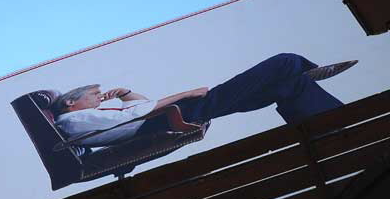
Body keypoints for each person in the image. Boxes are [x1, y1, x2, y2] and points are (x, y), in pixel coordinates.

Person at [52, 53, 356, 147]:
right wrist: (186, 93)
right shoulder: (72, 120)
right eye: (93, 96)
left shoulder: (81, 120)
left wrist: (125, 93)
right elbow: (134, 117)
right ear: (70, 102)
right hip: (180, 112)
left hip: (169, 116)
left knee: (288, 88)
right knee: (284, 62)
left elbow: (139, 107)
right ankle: (305, 70)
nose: (97, 100)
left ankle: (327, 124)